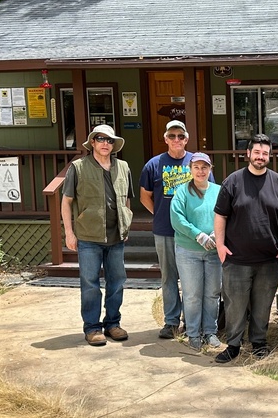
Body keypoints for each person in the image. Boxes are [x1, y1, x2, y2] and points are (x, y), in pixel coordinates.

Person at [213, 134, 278, 363]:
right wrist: (220, 245)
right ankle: (233, 345)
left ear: (269, 156)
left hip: (270, 259)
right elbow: (220, 215)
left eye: (265, 153)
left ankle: (258, 342)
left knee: (262, 304)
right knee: (235, 305)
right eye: (256, 152)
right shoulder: (233, 182)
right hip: (237, 259)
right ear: (248, 154)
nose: (260, 156)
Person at [60, 124, 133, 347]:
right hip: (88, 236)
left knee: (117, 282)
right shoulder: (78, 167)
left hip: (116, 237)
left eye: (109, 140)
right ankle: (92, 328)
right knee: (90, 283)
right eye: (100, 139)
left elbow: (127, 199)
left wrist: (126, 223)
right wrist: (69, 233)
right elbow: (66, 201)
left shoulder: (123, 166)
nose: (105, 144)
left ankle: (113, 323)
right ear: (92, 142)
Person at [140, 120, 199, 340]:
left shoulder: (197, 162)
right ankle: (171, 321)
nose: (176, 140)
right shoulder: (154, 165)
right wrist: (161, 214)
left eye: (180, 136)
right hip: (164, 230)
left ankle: (191, 321)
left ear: (186, 139)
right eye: (172, 136)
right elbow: (145, 195)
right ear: (165, 138)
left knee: (191, 278)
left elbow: (209, 191)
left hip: (191, 232)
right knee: (169, 277)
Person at [170, 152, 222, 352]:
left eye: (205, 167)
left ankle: (210, 331)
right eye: (197, 167)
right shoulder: (182, 192)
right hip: (188, 250)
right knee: (192, 294)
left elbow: (226, 213)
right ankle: (193, 333)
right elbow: (177, 218)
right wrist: (198, 234)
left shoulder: (218, 191)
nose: (201, 171)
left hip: (213, 252)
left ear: (210, 169)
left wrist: (217, 234)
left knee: (212, 293)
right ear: (190, 169)